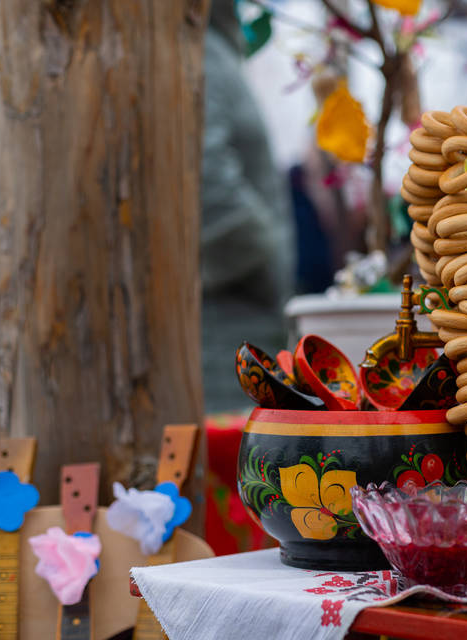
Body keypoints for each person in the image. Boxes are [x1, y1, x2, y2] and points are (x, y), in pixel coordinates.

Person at [201, 0, 295, 413]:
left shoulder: (213, 47)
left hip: (237, 319)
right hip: (222, 331)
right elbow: (206, 180)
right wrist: (271, 267)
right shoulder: (199, 52)